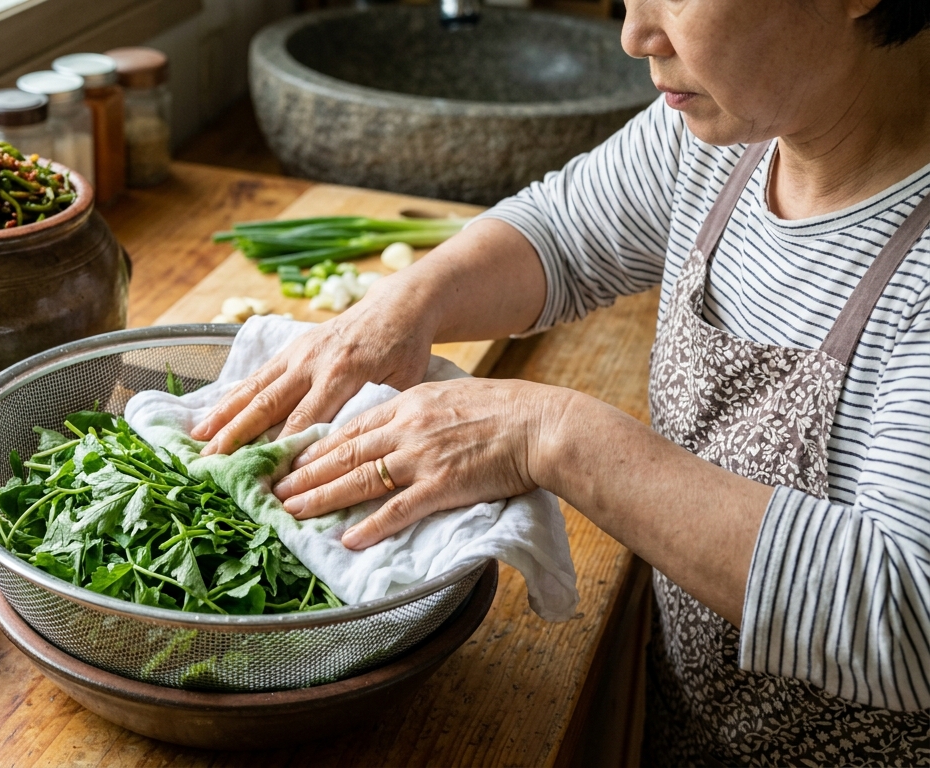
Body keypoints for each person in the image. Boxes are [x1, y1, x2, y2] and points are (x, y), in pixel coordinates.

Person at [190, 0, 930, 762]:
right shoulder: (734, 132)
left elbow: (906, 618)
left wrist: (547, 434)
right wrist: (405, 304)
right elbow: (562, 233)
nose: (634, 36)